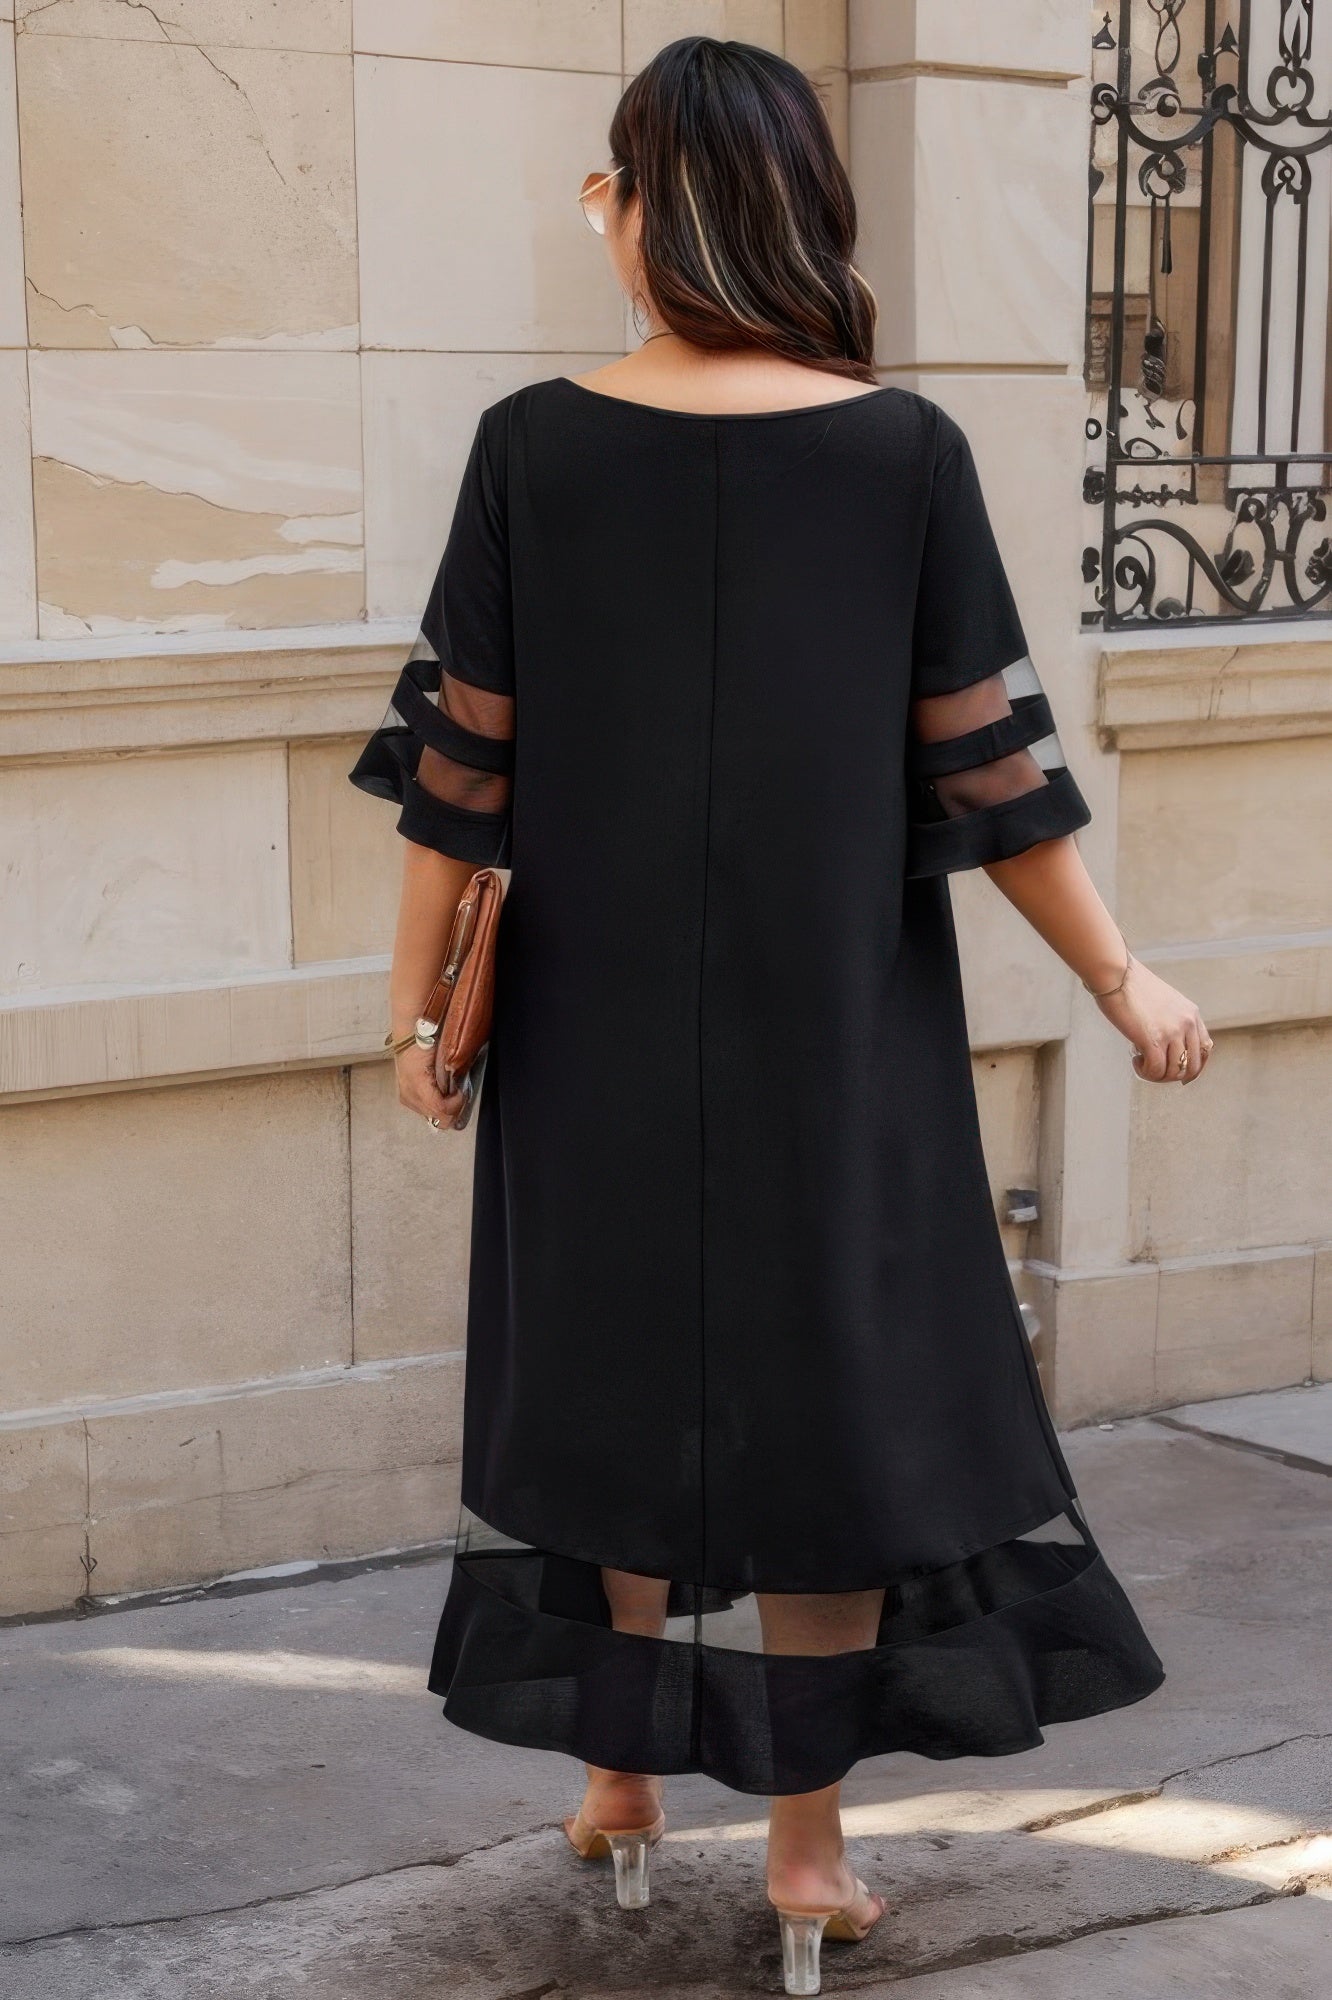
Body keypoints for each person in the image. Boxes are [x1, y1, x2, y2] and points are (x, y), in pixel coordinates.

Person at [349, 36, 1210, 1997]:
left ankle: (620, 1778)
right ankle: (807, 1856)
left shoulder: (532, 446)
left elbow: (459, 772)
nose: (598, 213)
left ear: (653, 204)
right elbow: (991, 765)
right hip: (839, 1034)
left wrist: (410, 1016)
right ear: (798, 209)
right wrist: (1117, 970)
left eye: (610, 182)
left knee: (604, 1380)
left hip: (589, 1030)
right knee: (824, 1398)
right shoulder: (901, 452)